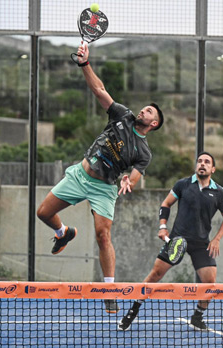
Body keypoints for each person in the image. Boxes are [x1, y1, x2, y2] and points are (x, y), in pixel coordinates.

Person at [36, 42, 164, 314]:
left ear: (154, 124)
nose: (143, 111)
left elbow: (136, 175)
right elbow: (99, 89)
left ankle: (109, 290)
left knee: (103, 235)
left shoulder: (144, 152)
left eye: (149, 112)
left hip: (104, 188)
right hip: (80, 174)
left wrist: (129, 180)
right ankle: (64, 233)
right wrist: (84, 64)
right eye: (144, 108)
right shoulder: (122, 116)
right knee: (43, 213)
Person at [118, 151, 223, 331]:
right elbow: (165, 204)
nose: (202, 164)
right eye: (200, 161)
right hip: (177, 240)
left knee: (210, 283)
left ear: (213, 168)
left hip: (201, 244)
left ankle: (197, 317)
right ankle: (132, 312)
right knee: (154, 275)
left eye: (207, 162)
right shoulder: (183, 185)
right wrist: (162, 227)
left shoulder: (219, 192)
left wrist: (217, 239)